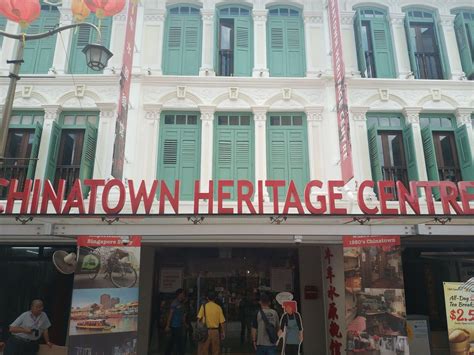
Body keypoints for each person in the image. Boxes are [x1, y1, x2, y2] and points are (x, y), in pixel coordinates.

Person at [165, 289, 187, 355]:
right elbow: (170, 314)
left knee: (172, 342)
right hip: (174, 326)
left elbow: (182, 315)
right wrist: (167, 325)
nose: (184, 295)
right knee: (178, 342)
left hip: (179, 326)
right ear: (179, 294)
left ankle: (167, 353)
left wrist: (185, 324)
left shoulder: (181, 303)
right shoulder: (174, 303)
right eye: (183, 293)